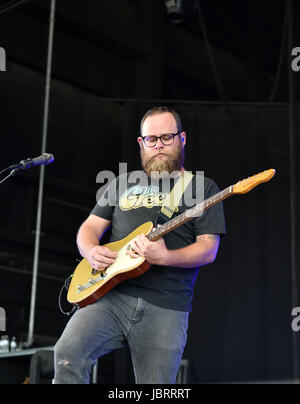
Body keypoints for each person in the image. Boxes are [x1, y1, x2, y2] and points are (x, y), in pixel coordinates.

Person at [54, 106, 226, 384]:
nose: (158, 145)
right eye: (151, 139)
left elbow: (209, 248)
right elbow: (89, 228)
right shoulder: (121, 183)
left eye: (167, 138)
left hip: (166, 305)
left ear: (183, 139)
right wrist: (90, 250)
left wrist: (165, 257)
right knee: (66, 354)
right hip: (110, 296)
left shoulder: (202, 188)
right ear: (141, 143)